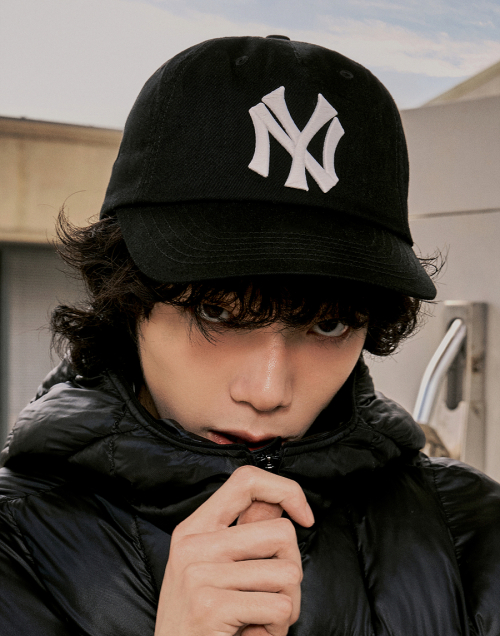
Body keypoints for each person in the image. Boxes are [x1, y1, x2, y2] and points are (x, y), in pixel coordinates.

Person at [0, 34, 499, 636]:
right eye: (217, 313)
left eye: (328, 324)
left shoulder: (474, 532)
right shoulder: (13, 543)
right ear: (125, 299)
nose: (267, 391)